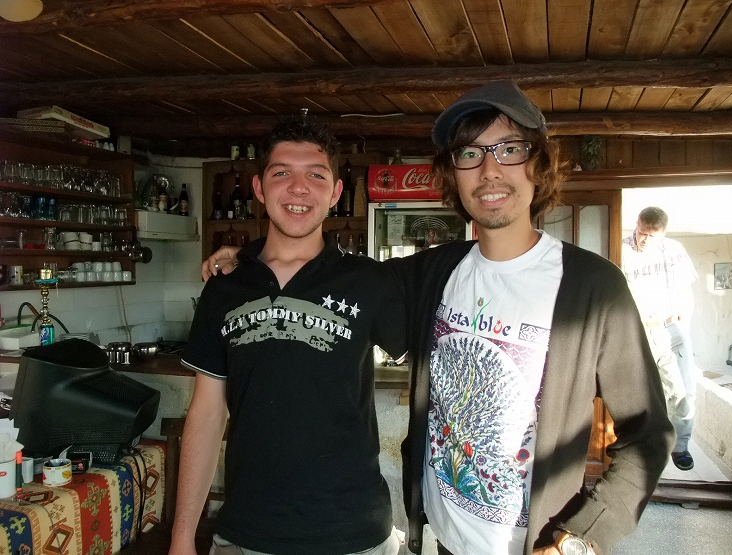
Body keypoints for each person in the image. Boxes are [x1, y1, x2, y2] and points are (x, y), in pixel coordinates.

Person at [204, 81, 674, 555]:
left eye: (510, 149)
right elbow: (324, 272)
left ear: (539, 163)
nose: (490, 170)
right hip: (442, 541)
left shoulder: (593, 287)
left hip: (538, 542)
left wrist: (582, 539)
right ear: (454, 174)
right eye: (470, 154)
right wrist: (247, 259)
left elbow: (648, 434)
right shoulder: (433, 273)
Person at [173, 116, 406, 555]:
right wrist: (182, 537)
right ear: (259, 188)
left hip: (354, 533)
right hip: (246, 532)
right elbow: (205, 414)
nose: (299, 188)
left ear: (335, 192)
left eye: (316, 175)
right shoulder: (224, 288)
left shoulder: (369, 281)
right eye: (282, 173)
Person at [622, 206, 698, 471]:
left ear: (663, 233)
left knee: (682, 391)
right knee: (639, 394)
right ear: (637, 224)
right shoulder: (621, 249)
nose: (644, 239)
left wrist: (684, 319)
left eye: (651, 236)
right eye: (642, 232)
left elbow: (687, 290)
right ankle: (643, 449)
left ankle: (681, 446)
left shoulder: (675, 250)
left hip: (670, 329)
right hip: (637, 331)